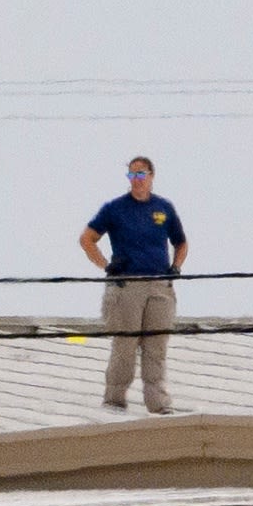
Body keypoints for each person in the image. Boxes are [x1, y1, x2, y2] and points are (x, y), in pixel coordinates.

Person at [77, 154, 191, 413]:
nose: (136, 180)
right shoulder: (115, 209)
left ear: (151, 176)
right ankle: (114, 400)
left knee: (156, 347)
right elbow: (87, 238)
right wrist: (105, 265)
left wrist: (176, 267)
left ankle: (159, 404)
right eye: (132, 175)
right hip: (127, 286)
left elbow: (181, 242)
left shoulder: (164, 208)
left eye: (141, 174)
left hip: (160, 286)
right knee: (125, 346)